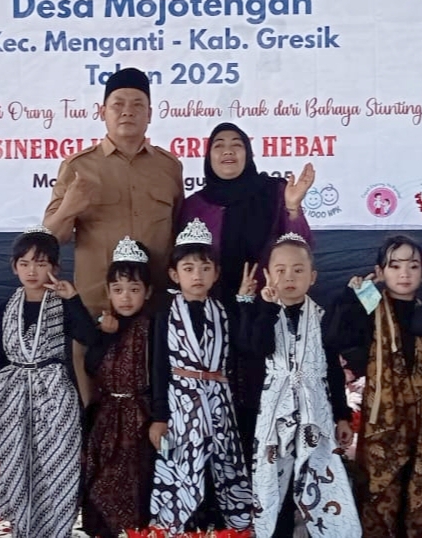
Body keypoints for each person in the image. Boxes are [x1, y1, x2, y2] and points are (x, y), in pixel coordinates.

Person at [44, 67, 184, 400]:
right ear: (102, 111)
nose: (127, 111)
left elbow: (178, 233)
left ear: (150, 114)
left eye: (137, 105)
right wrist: (69, 208)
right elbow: (51, 239)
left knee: (154, 408)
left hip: (154, 312)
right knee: (93, 408)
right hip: (95, 311)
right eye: (118, 104)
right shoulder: (78, 166)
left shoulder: (169, 167)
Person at [179, 122, 314, 463]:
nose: (228, 151)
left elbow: (300, 248)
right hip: (214, 317)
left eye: (236, 144)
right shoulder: (195, 206)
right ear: (208, 156)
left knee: (265, 400)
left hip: (268, 313)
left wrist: (292, 208)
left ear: (248, 153)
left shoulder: (274, 193)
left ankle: (268, 474)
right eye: (218, 145)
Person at [330, 236, 422, 538]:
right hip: (384, 427)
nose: (404, 274)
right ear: (380, 271)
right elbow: (334, 337)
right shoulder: (371, 307)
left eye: (412, 266)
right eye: (395, 265)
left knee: (421, 505)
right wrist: (352, 296)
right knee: (381, 503)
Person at [238, 234, 360, 538]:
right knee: (275, 490)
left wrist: (342, 416)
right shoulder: (263, 314)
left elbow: (332, 370)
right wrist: (267, 308)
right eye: (280, 270)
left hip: (314, 415)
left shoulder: (322, 317)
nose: (289, 277)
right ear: (268, 274)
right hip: (274, 419)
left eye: (297, 270)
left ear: (312, 277)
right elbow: (258, 348)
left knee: (318, 482)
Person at [0, 227, 97, 538]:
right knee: (19, 465)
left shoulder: (62, 302)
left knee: (56, 464)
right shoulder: (7, 305)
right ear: (14, 267)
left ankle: (57, 530)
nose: (32, 271)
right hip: (13, 395)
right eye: (24, 263)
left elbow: (89, 337)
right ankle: (24, 529)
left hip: (54, 393)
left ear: (55, 267)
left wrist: (73, 299)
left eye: (40, 263)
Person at [149, 219, 253, 533]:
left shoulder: (223, 311)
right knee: (182, 469)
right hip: (181, 404)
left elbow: (243, 349)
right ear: (174, 274)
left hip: (219, 403)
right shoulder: (164, 315)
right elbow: (159, 367)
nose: (197, 276)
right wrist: (159, 416)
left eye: (205, 268)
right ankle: (177, 529)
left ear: (216, 273)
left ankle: (226, 529)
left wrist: (244, 302)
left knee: (222, 468)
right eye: (189, 268)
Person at [83, 237, 156, 537]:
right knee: (102, 478)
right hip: (108, 416)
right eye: (118, 290)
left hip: (140, 416)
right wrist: (105, 336)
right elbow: (91, 366)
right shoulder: (104, 326)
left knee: (138, 480)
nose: (125, 298)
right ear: (109, 292)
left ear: (147, 292)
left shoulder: (153, 327)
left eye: (134, 290)